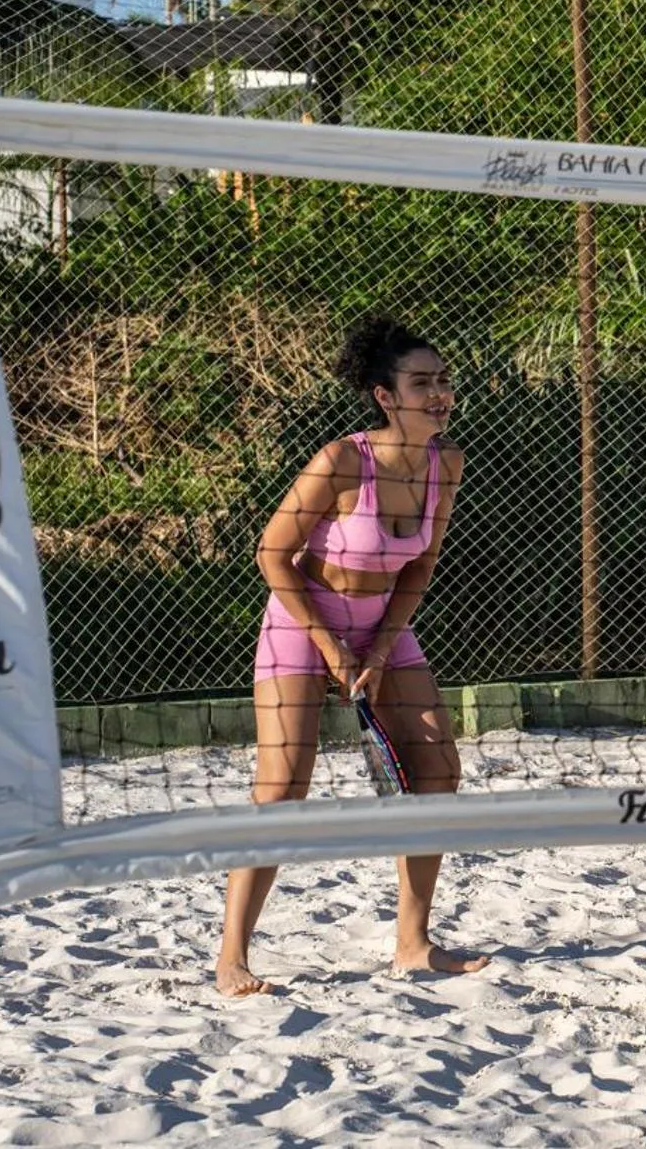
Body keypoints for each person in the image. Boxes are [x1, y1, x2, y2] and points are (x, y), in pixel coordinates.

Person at [216, 316, 489, 995]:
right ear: (384, 396)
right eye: (421, 383)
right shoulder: (342, 460)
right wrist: (328, 643)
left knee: (438, 768)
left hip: (381, 626)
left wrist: (385, 641)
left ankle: (413, 943)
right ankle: (232, 959)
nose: (438, 394)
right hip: (302, 620)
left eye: (442, 381)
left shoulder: (445, 463)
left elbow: (420, 567)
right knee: (282, 787)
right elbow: (271, 556)